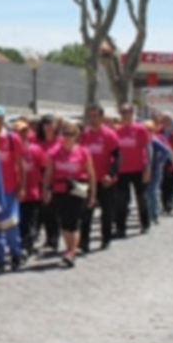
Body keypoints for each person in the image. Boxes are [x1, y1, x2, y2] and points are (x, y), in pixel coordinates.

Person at [42, 120, 96, 267]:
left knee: (73, 222)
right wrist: (45, 190)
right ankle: (69, 248)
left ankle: (71, 251)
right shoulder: (54, 153)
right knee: (64, 223)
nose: (66, 136)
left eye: (70, 133)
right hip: (60, 190)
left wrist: (92, 195)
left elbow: (91, 174)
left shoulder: (83, 152)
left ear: (76, 135)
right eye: (64, 133)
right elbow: (48, 174)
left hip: (77, 189)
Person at [0, 106, 26, 275]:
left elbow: (21, 164)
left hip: (9, 189)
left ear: (3, 119)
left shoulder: (12, 139)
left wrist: (22, 186)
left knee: (10, 224)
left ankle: (16, 253)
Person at [80, 105, 120, 252]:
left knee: (107, 211)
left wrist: (111, 174)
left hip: (104, 179)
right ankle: (84, 241)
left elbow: (117, 157)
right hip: (88, 179)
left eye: (95, 116)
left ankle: (106, 238)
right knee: (86, 211)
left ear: (101, 117)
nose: (92, 119)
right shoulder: (84, 135)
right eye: (90, 116)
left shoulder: (109, 135)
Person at [114, 104, 152, 237]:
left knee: (141, 198)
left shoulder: (140, 129)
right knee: (121, 201)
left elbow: (147, 149)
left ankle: (145, 223)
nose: (125, 115)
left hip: (139, 168)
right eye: (123, 113)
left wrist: (148, 168)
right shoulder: (117, 131)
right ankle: (120, 227)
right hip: (122, 170)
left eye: (127, 112)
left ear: (132, 114)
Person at [14, 121, 46, 259]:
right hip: (15, 193)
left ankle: (27, 246)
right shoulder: (11, 151)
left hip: (33, 192)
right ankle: (20, 245)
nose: (22, 134)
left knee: (31, 222)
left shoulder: (36, 150)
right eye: (18, 132)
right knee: (19, 223)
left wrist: (45, 188)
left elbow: (44, 169)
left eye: (24, 131)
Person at [35, 114, 61, 251]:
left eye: (51, 124)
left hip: (55, 181)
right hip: (38, 180)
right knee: (40, 212)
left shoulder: (61, 141)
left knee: (53, 212)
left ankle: (53, 239)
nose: (49, 127)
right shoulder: (36, 141)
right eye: (46, 124)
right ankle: (37, 237)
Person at [145, 121, 173, 224]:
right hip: (145, 170)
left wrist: (159, 161)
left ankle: (154, 214)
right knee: (146, 193)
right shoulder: (143, 140)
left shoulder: (154, 140)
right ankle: (147, 214)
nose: (146, 132)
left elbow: (166, 151)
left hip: (156, 170)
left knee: (153, 192)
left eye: (148, 130)